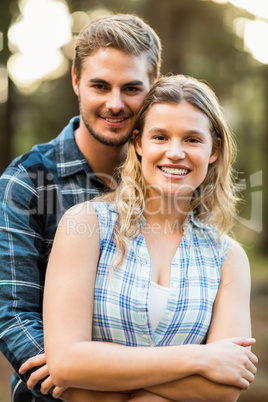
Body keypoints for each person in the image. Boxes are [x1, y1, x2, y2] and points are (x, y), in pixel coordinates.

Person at [20, 75, 258, 401]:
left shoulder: (228, 257)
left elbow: (227, 387)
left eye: (192, 139)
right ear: (138, 143)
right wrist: (200, 359)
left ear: (214, 149)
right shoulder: (87, 226)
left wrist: (97, 375)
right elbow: (66, 364)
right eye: (160, 136)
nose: (175, 152)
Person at [0, 13, 162, 401]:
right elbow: (14, 317)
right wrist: (99, 387)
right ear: (76, 81)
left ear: (154, 87)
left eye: (132, 88)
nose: (115, 103)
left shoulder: (173, 183)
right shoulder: (27, 183)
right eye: (100, 86)